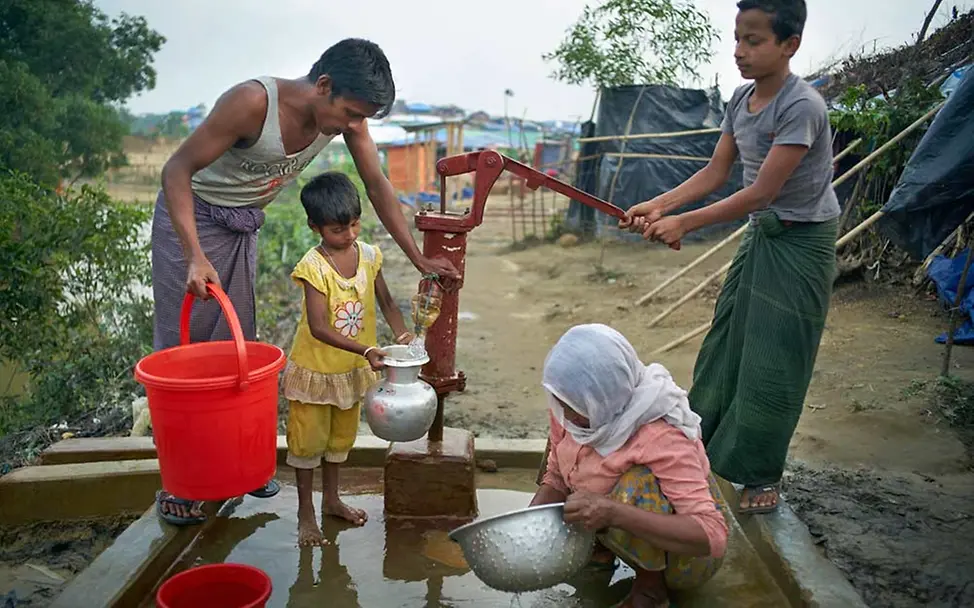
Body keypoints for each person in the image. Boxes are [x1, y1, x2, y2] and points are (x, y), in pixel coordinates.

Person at [152, 38, 458, 525]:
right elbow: (177, 170)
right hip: (190, 223)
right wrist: (193, 255)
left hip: (241, 225)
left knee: (237, 348)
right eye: (353, 114)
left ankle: (235, 464)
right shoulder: (253, 103)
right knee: (188, 353)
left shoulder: (342, 123)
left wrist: (418, 257)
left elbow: (377, 185)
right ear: (323, 86)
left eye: (364, 119)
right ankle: (183, 482)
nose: (355, 127)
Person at [621, 0, 837, 514]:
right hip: (762, 235)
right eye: (737, 38)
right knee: (727, 343)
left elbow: (761, 192)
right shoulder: (741, 99)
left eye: (754, 40)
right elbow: (716, 174)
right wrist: (659, 204)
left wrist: (682, 222)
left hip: (802, 242)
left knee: (774, 359)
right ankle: (703, 448)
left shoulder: (801, 107)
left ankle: (761, 473)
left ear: (790, 45)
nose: (739, 51)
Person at [531, 324, 730, 608]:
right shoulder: (570, 410)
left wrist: (612, 512)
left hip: (686, 559)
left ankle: (651, 587)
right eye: (562, 402)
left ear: (604, 395)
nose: (567, 414)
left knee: (638, 483)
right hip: (614, 522)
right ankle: (601, 549)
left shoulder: (660, 434)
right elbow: (556, 476)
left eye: (577, 406)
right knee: (563, 454)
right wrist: (524, 529)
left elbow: (712, 535)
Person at [282, 172, 412, 545]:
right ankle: (306, 514)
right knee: (308, 444)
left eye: (355, 224)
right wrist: (367, 350)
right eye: (339, 229)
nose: (351, 234)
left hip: (351, 371)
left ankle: (332, 500)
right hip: (316, 372)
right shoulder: (314, 267)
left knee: (340, 441)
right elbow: (320, 328)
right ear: (315, 227)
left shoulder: (369, 256)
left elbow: (386, 301)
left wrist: (402, 334)